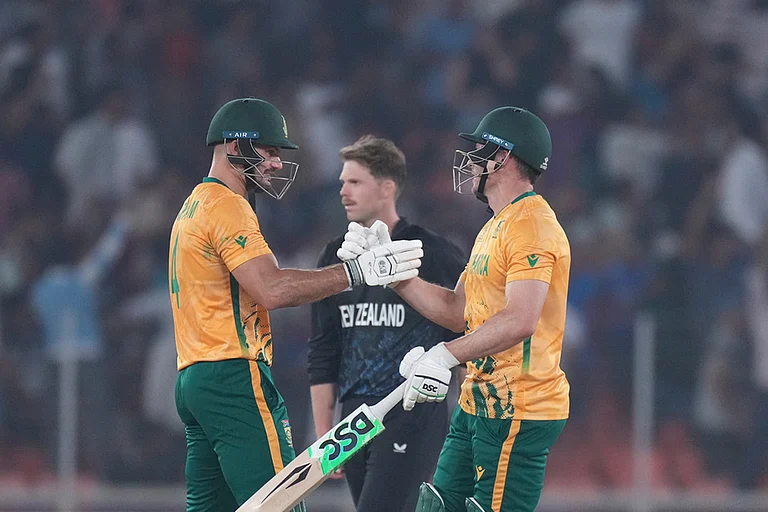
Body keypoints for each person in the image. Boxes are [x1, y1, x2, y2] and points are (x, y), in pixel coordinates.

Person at [168, 97, 423, 512]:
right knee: (281, 504)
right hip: (234, 376)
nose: (274, 163)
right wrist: (357, 273)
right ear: (236, 147)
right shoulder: (228, 207)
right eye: (268, 151)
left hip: (194, 378)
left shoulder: (194, 204)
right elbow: (272, 289)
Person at [345, 107, 571, 512]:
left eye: (479, 151)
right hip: (477, 401)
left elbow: (522, 319)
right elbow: (457, 309)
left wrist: (444, 355)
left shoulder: (532, 226)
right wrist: (393, 277)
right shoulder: (496, 225)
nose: (470, 161)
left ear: (502, 158)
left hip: (518, 410)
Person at [307, 135, 466, 512]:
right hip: (354, 417)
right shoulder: (334, 257)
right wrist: (326, 433)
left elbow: (464, 338)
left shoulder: (433, 254)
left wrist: (463, 426)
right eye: (342, 181)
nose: (343, 191)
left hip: (411, 410)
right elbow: (324, 349)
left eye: (355, 182)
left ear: (387, 187)